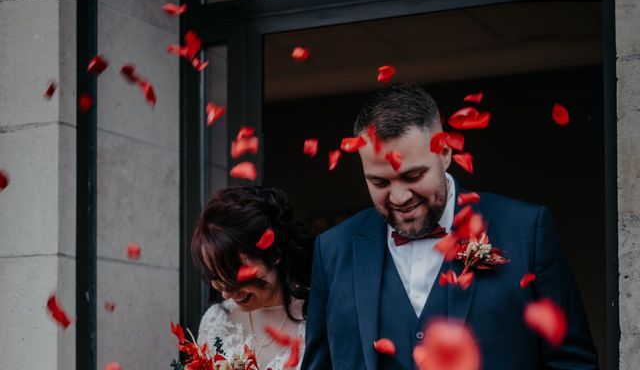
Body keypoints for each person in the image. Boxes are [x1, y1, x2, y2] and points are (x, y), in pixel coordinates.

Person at [301, 83, 598, 370]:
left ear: (445, 153)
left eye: (414, 176)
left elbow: (571, 362)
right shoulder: (332, 250)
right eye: (379, 182)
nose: (399, 197)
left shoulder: (526, 231)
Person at [192, 186, 313, 370]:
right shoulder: (216, 321)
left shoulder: (317, 318)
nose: (226, 294)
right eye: (216, 278)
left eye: (235, 277)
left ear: (273, 253)